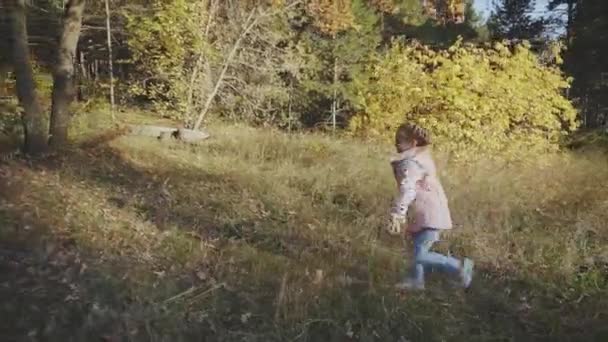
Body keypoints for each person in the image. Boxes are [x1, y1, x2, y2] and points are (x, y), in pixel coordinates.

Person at [387, 123, 473, 290]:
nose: (396, 143)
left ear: (413, 143)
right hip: (427, 209)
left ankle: (460, 266)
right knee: (418, 249)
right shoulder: (421, 158)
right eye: (395, 139)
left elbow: (408, 189)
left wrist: (398, 212)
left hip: (427, 211)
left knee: (420, 255)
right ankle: (416, 281)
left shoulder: (410, 163)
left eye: (400, 140)